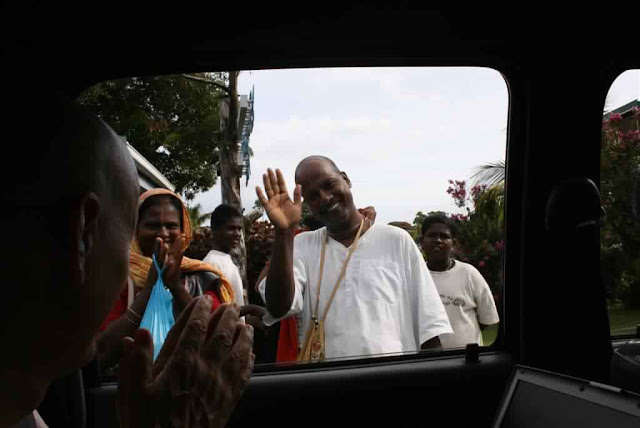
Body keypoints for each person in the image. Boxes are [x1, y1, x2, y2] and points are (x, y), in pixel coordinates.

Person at [0, 90, 254, 428]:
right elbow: (104, 351)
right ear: (82, 235)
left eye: (171, 225)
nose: (163, 234)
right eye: (131, 233)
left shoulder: (22, 408)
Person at [255, 156, 452, 361]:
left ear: (345, 179)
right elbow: (279, 307)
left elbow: (429, 329)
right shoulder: (302, 245)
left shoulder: (396, 240)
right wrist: (283, 233)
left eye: (329, 185)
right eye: (313, 196)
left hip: (394, 380)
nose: (325, 197)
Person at [97, 189, 236, 369]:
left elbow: (219, 341)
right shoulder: (118, 278)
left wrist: (176, 287)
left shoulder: (201, 277)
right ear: (136, 230)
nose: (163, 233)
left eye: (171, 226)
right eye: (152, 225)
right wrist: (149, 290)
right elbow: (102, 354)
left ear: (183, 230)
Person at [420, 213, 499, 349]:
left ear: (454, 243)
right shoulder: (416, 276)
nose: (438, 240)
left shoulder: (469, 274)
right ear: (422, 242)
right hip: (426, 364)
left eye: (444, 236)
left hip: (467, 364)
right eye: (432, 235)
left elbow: (487, 321)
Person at [204, 204, 246, 306]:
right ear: (214, 230)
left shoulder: (225, 260)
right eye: (231, 228)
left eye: (239, 229)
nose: (237, 234)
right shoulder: (211, 264)